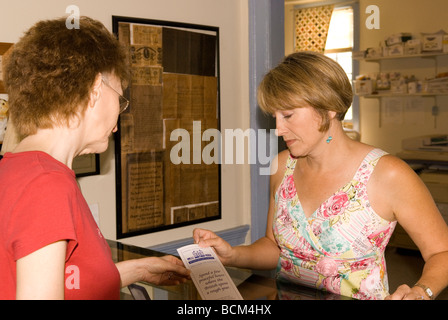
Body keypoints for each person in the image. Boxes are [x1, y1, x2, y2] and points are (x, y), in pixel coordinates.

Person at [193, 51, 448, 300]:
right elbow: (275, 247)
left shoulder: (387, 174)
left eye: (288, 115)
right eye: (275, 117)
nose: (279, 130)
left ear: (329, 108)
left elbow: (442, 251)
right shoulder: (282, 167)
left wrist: (422, 290)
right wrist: (232, 255)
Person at [0, 16, 190, 300]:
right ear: (95, 90)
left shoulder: (19, 168)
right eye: (120, 98)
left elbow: (65, 279)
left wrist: (138, 269)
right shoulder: (47, 185)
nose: (119, 114)